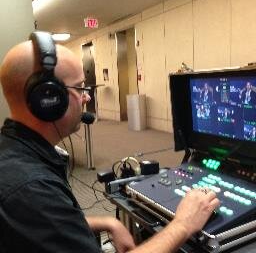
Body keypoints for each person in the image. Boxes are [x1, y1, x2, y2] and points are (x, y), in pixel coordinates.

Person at [0, 32, 220, 253]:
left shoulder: (13, 152)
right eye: (80, 88)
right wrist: (183, 224)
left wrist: (108, 222)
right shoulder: (30, 187)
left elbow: (47, 225)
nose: (87, 97)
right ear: (48, 99)